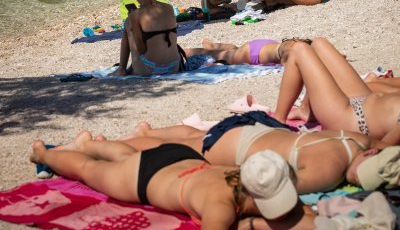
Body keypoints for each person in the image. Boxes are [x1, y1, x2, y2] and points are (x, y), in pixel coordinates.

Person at [29, 133, 308, 228]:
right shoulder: (220, 206)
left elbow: (302, 214)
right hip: (144, 178)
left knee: (126, 156)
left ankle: (91, 143)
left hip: (179, 157)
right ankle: (42, 153)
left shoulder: (241, 172)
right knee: (88, 171)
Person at [118, 115, 400, 196]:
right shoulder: (327, 172)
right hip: (240, 145)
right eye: (362, 172)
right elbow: (267, 186)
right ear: (371, 154)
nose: (355, 179)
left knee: (197, 137)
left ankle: (150, 130)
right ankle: (126, 143)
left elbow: (388, 146)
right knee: (184, 151)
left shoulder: (359, 141)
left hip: (262, 125)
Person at [273, 37, 400, 143]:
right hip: (364, 100)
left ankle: (277, 121)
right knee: (319, 44)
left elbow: (382, 149)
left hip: (352, 120)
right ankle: (305, 110)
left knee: (299, 49)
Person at [110, 0, 184, 77]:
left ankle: (121, 68)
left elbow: (140, 49)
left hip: (151, 69)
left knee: (127, 23)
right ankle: (122, 68)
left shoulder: (136, 15)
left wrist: (132, 21)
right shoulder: (169, 7)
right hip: (174, 66)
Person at [185, 37, 312, 66]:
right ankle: (185, 52)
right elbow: (286, 62)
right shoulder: (294, 50)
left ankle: (214, 45)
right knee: (215, 56)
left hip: (264, 45)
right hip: (253, 55)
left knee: (233, 49)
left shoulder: (295, 43)